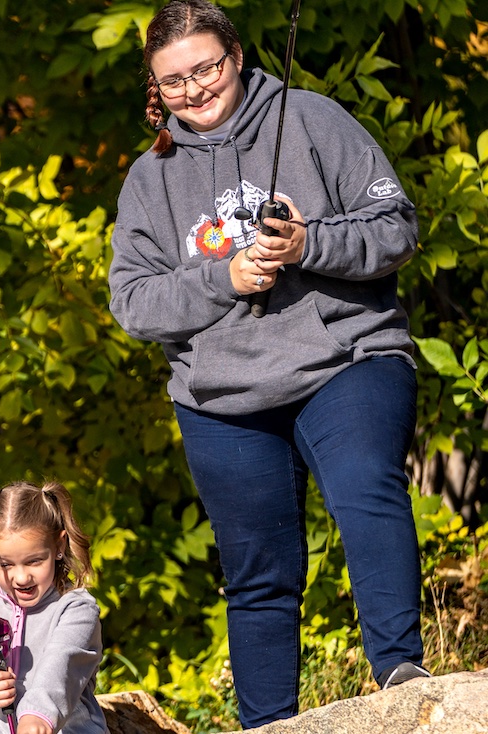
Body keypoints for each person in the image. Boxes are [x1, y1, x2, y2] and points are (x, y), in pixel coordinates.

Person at [107, 0, 428, 727]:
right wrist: (223, 279)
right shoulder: (147, 180)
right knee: (258, 578)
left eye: (206, 68)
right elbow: (133, 303)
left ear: (238, 57)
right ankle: (269, 723)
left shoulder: (313, 119)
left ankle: (402, 674)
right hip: (220, 396)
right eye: (173, 81)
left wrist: (309, 244)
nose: (194, 89)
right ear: (155, 90)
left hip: (345, 356)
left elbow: (395, 227)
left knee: (365, 489)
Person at [0, 481, 107, 734]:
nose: (21, 577)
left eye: (34, 561)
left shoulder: (77, 610)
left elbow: (61, 667)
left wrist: (37, 717)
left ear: (59, 546)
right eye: (5, 564)